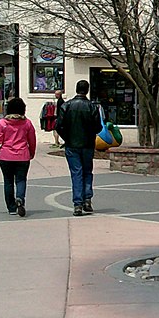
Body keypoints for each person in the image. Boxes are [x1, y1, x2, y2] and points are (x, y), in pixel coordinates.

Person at [55, 80, 102, 216]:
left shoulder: (67, 106)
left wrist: (67, 137)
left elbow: (59, 125)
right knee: (87, 172)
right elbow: (98, 127)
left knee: (76, 173)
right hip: (87, 144)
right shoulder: (92, 107)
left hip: (72, 145)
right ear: (87, 90)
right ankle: (87, 199)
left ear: (76, 89)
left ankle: (78, 204)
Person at [0, 97, 37, 217]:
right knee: (21, 180)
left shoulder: (3, 123)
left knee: (8, 181)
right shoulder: (27, 123)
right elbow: (32, 140)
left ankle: (11, 207)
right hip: (22, 155)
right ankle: (20, 198)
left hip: (6, 156)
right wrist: (31, 152)